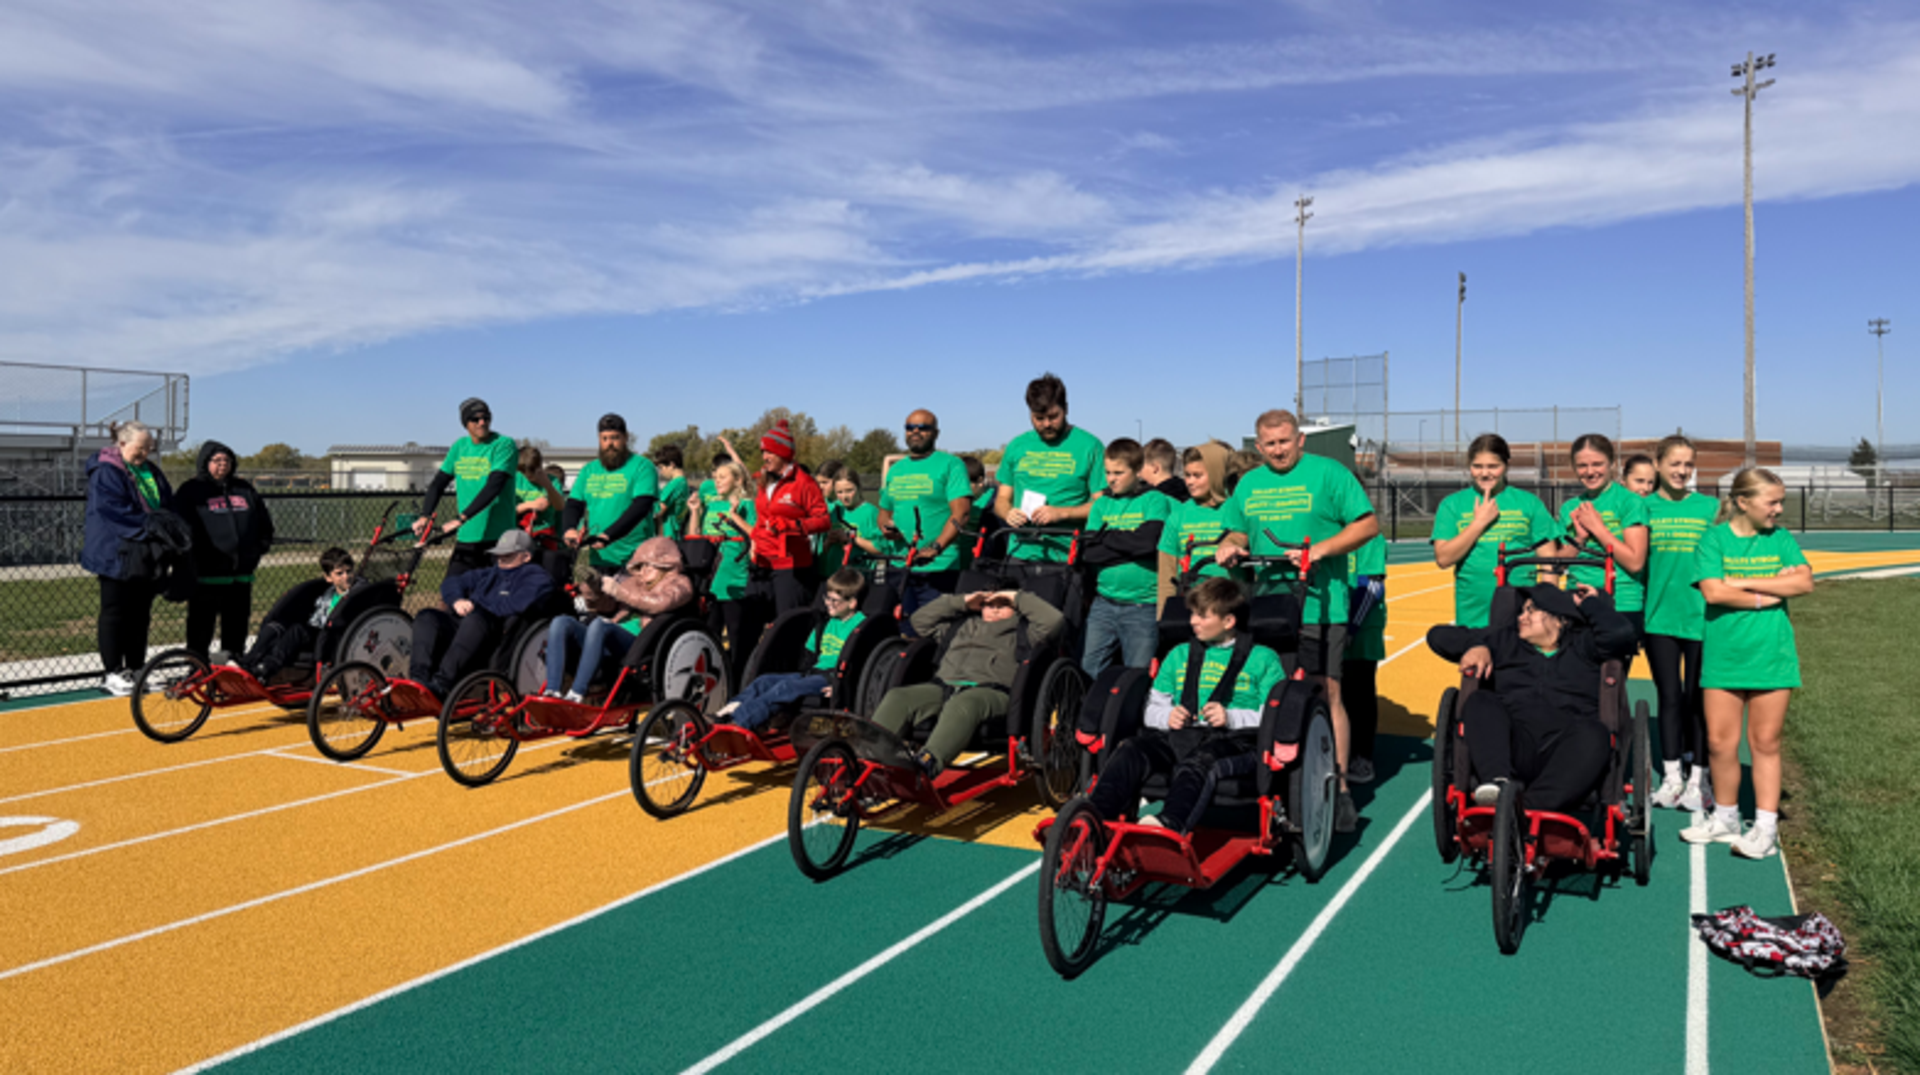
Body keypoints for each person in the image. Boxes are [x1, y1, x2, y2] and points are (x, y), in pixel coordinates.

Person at [1215, 409, 1378, 832]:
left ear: (1300, 439)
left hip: (1322, 604)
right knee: (1271, 691)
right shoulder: (1249, 483)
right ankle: (1276, 781)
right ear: (1258, 446)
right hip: (1267, 604)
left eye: (1284, 441)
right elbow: (1236, 530)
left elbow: (1367, 526)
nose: (1278, 450)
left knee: (1327, 692)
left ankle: (1340, 788)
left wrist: (1321, 549)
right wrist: (1230, 545)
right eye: (1269, 444)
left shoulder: (1329, 473)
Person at [1679, 467, 1813, 860]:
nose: (1778, 510)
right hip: (1724, 655)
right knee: (1720, 743)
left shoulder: (1781, 539)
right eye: (1772, 502)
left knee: (1765, 743)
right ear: (1742, 501)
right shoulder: (1713, 540)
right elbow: (1713, 592)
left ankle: (1766, 827)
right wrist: (1766, 592)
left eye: (1780, 502)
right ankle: (1726, 818)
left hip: (1772, 655)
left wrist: (1738, 583)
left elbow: (1804, 583)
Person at [1085, 578, 1285, 834]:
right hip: (1181, 736)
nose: (1192, 621)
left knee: (1200, 761)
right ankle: (1093, 820)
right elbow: (1152, 708)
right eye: (1192, 614)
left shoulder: (1264, 658)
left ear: (1228, 621)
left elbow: (1273, 716)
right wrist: (1167, 716)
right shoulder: (1178, 654)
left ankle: (1169, 825)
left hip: (1237, 741)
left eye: (1202, 616)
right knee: (1131, 749)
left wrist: (1231, 717)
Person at [1427, 582, 1637, 813]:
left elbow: (1621, 635)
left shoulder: (1585, 645)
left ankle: (1525, 809)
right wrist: (1476, 646)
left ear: (1560, 619)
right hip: (1514, 746)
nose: (1522, 617)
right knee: (1480, 701)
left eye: (1532, 610)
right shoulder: (1504, 640)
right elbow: (1437, 635)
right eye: (1522, 611)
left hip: (1567, 750)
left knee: (1596, 734)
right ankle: (1498, 785)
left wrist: (1590, 604)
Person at [873, 585, 1067, 777]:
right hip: (944, 686)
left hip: (992, 692)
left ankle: (926, 764)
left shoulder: (1024, 631)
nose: (995, 609)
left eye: (1003, 605)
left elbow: (1054, 620)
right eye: (989, 605)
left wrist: (1017, 597)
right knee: (898, 697)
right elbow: (919, 621)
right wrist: (963, 601)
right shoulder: (959, 626)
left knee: (964, 703)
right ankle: (869, 756)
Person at [1643, 435, 1718, 812]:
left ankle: (1699, 781)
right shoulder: (1643, 507)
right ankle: (1672, 778)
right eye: (1674, 463)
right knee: (1669, 697)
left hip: (1703, 618)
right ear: (1658, 465)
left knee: (1698, 699)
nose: (1682, 470)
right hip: (1659, 618)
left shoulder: (1710, 507)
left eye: (1688, 464)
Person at [83, 421, 177, 696]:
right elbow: (114, 511)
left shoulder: (151, 471)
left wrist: (167, 526)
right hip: (116, 552)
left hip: (147, 552)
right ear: (122, 444)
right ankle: (112, 672)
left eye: (149, 448)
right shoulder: (106, 471)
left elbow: (166, 503)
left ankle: (136, 668)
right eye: (141, 447)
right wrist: (153, 526)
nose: (145, 453)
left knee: (140, 613)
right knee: (115, 612)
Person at [542, 536, 693, 704]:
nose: (644, 571)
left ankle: (577, 693)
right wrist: (593, 589)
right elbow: (607, 606)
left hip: (641, 643)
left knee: (600, 625)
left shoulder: (680, 583)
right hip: (610, 634)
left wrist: (620, 592)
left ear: (666, 565)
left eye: (650, 565)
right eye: (640, 566)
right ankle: (553, 690)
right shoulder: (633, 582)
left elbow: (660, 603)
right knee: (561, 622)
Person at [716, 569, 868, 732]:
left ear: (852, 603)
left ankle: (740, 722)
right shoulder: (824, 624)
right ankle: (725, 714)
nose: (828, 603)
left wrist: (840, 686)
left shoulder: (861, 626)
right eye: (827, 598)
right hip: (813, 673)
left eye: (834, 600)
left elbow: (861, 663)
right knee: (763, 681)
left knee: (786, 688)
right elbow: (809, 656)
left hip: (831, 677)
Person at [1430, 433, 1557, 629]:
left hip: (1522, 615)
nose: (1484, 473)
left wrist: (1546, 606)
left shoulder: (1529, 503)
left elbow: (1549, 562)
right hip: (1473, 615)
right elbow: (1444, 558)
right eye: (1477, 466)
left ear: (1506, 465)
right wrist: (1479, 523)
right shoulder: (1452, 504)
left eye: (1493, 466)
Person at [409, 529, 555, 697]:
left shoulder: (537, 578)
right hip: (468, 626)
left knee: (475, 619)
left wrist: (477, 605)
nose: (501, 559)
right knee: (427, 617)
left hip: (496, 634)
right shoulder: (491, 573)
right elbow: (452, 582)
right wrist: (457, 600)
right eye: (499, 554)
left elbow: (515, 604)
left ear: (526, 557)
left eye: (507, 555)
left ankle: (443, 684)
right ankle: (418, 679)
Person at [1550, 434, 1650, 675]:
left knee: (1610, 682)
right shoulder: (1569, 507)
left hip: (1620, 603)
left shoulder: (1630, 502)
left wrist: (1598, 529)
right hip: (1577, 603)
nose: (1590, 471)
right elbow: (1558, 564)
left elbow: (1635, 562)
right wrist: (1580, 538)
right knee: (1574, 681)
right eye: (1582, 465)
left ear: (1612, 464)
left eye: (1597, 464)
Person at [1079, 437, 1173, 675]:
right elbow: (1090, 552)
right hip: (1104, 604)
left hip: (1143, 606)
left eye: (1119, 473)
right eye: (1108, 472)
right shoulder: (1101, 504)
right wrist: (1131, 546)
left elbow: (1149, 543)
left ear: (1138, 470)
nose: (1111, 479)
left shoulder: (1154, 500)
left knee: (1137, 675)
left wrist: (1106, 537)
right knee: (1089, 670)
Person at [175, 441, 275, 662]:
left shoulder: (244, 489)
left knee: (237, 623)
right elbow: (181, 526)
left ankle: (233, 662)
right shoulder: (191, 490)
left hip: (240, 574)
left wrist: (258, 548)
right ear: (205, 462)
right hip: (207, 574)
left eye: (227, 460)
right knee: (201, 625)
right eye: (217, 460)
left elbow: (263, 522)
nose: (223, 464)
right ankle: (197, 665)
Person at [995, 373, 1104, 563]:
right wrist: (1007, 513)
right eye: (1039, 418)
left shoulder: (1090, 446)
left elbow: (1102, 505)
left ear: (1066, 409)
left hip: (1068, 556)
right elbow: (1002, 499)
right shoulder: (1017, 446)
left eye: (1053, 417)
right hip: (1019, 554)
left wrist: (1061, 513)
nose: (1046, 424)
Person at [878, 409, 973, 625]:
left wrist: (937, 547)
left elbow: (962, 513)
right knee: (900, 630)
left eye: (923, 428)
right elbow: (884, 511)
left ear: (936, 433)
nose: (916, 432)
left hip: (939, 568)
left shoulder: (951, 464)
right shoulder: (896, 469)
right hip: (900, 566)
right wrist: (885, 526)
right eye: (910, 427)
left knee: (936, 632)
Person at [413, 398, 518, 580]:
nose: (482, 422)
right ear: (465, 423)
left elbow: (494, 485)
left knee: (497, 593)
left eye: (486, 418)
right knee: (451, 590)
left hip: (499, 537)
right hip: (467, 536)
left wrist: (462, 518)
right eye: (475, 419)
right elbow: (438, 483)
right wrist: (425, 515)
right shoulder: (459, 447)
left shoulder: (503, 444)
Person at [748, 418, 830, 617]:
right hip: (761, 562)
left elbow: (823, 520)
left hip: (791, 566)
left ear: (782, 453)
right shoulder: (763, 480)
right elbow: (761, 519)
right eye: (763, 452)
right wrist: (754, 541)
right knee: (751, 618)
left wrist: (793, 525)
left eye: (769, 452)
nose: (764, 457)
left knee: (787, 623)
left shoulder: (804, 483)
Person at [233, 547, 354, 681]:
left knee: (297, 631)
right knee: (275, 627)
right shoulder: (327, 593)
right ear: (328, 578)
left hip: (329, 637)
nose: (346, 576)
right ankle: (247, 663)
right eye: (339, 573)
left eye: (349, 571)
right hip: (314, 630)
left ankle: (266, 668)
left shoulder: (355, 594)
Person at [563, 413, 660, 574]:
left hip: (634, 557)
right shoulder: (589, 470)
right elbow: (574, 503)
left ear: (626, 438)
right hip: (597, 557)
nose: (610, 444)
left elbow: (641, 506)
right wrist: (569, 528)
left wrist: (609, 535)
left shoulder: (642, 466)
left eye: (615, 438)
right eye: (605, 439)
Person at [691, 459, 759, 684]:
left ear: (738, 480)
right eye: (715, 477)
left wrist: (735, 518)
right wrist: (695, 511)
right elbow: (697, 537)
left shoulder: (747, 505)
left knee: (736, 633)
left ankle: (739, 680)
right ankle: (713, 679)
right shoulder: (712, 506)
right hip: (712, 577)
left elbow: (755, 536)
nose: (717, 481)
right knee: (710, 631)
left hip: (735, 575)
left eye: (723, 477)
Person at [1157, 440, 1236, 608]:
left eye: (1197, 475)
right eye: (1187, 475)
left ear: (1216, 474)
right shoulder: (1178, 515)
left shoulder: (1237, 508)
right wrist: (1164, 614)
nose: (1190, 482)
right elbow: (1167, 574)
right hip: (1190, 603)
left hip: (1231, 602)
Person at [1342, 532, 1388, 785]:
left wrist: (1351, 628)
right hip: (1330, 622)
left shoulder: (1369, 536)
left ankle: (1362, 756)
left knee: (1359, 694)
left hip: (1362, 629)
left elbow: (1372, 584)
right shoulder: (1325, 528)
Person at [827, 474, 887, 578]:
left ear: (859, 488)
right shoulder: (833, 510)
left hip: (859, 577)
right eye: (839, 492)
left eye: (849, 490)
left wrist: (852, 539)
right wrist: (828, 541)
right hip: (831, 576)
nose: (845, 496)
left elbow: (881, 548)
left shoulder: (871, 513)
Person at [515, 444, 564, 540]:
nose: (529, 476)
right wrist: (529, 505)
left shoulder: (552, 480)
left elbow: (560, 506)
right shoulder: (515, 480)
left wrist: (548, 486)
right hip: (518, 531)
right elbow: (508, 510)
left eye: (532, 472)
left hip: (545, 531)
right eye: (524, 472)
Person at [652, 444, 692, 540]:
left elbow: (658, 511)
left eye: (662, 467)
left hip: (668, 536)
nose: (661, 472)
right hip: (676, 534)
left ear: (672, 464)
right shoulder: (683, 483)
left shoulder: (675, 484)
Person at [1140, 438, 1191, 503]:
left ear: (1155, 468)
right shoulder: (1190, 494)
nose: (1139, 472)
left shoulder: (1149, 500)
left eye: (1141, 466)